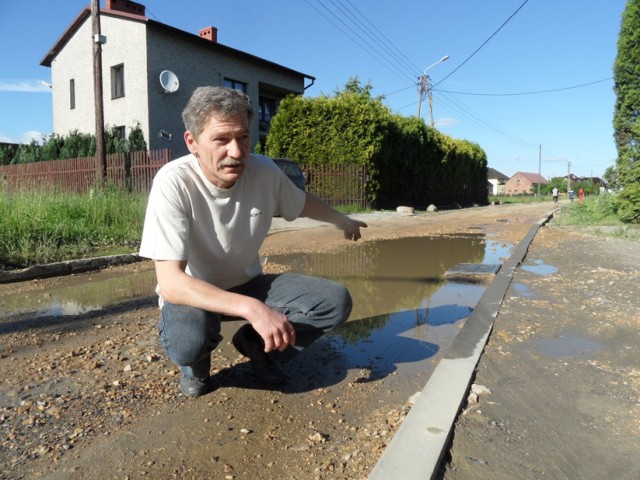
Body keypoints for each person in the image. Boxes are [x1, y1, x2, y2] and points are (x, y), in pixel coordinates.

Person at [139, 86, 367, 397]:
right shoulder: (173, 182)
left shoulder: (263, 171)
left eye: (243, 138)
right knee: (186, 343)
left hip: (246, 282)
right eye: (221, 140)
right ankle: (196, 366)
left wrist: (343, 220)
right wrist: (254, 309)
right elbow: (172, 284)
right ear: (192, 142)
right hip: (195, 292)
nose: (236, 152)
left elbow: (300, 202)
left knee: (335, 301)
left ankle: (257, 346)